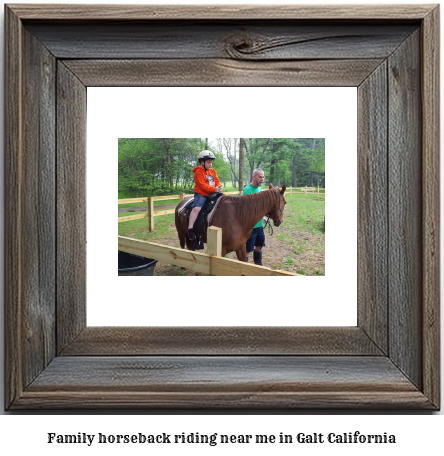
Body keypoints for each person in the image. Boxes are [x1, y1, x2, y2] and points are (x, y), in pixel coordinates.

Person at [188, 150, 223, 240]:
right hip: (201, 194)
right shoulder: (198, 172)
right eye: (208, 162)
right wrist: (214, 189)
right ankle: (190, 228)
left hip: (213, 192)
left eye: (211, 162)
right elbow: (203, 186)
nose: (210, 164)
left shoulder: (213, 171)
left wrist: (219, 187)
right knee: (197, 208)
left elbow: (217, 180)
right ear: (202, 162)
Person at [243, 168, 266, 265]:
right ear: (254, 177)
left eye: (263, 177)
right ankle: (244, 270)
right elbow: (245, 209)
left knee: (259, 246)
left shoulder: (259, 189)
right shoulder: (247, 190)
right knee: (247, 250)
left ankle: (258, 265)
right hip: (251, 227)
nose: (262, 179)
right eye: (260, 177)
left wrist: (263, 216)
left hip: (259, 225)